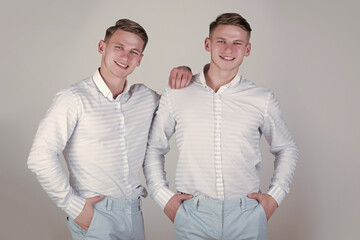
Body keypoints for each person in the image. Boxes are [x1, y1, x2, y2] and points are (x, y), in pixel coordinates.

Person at [27, 19, 191, 240]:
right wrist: (73, 206)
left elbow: (181, 113)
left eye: (134, 52)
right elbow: (40, 156)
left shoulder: (145, 98)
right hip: (95, 214)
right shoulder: (73, 99)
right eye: (119, 47)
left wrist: (185, 72)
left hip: (134, 213)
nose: (125, 57)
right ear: (102, 47)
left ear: (140, 59)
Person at [144, 13, 299, 240]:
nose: (229, 49)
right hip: (192, 214)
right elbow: (153, 147)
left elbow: (286, 147)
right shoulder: (177, 93)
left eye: (238, 43)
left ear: (247, 49)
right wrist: (161, 196)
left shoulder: (261, 98)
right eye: (221, 41)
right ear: (208, 44)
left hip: (247, 215)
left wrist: (275, 197)